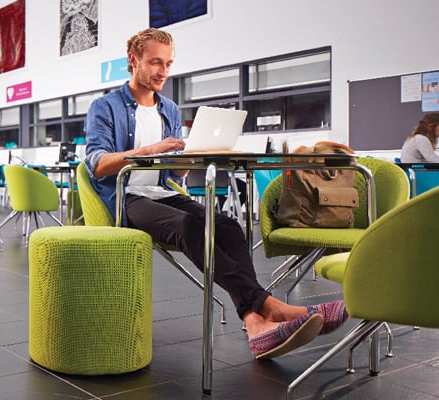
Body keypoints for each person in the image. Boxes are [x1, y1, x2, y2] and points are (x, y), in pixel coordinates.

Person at [83, 28, 348, 359]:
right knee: (190, 226)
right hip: (127, 199)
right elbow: (97, 164)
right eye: (155, 63)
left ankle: (255, 323)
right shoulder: (105, 107)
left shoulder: (169, 108)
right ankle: (273, 307)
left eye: (168, 63)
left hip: (161, 192)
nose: (163, 72)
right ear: (133, 61)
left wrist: (186, 159)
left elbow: (172, 173)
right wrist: (151, 149)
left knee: (229, 226)